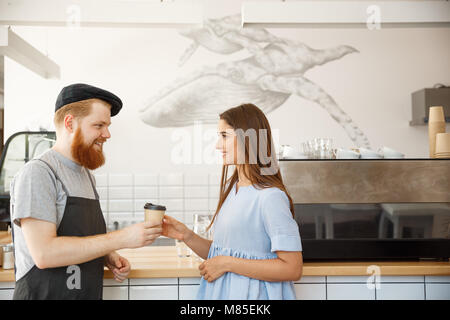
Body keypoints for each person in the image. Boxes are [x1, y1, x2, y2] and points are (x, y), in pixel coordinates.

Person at [10, 83, 162, 300]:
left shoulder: (86, 176)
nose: (107, 134)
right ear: (70, 123)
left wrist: (106, 255)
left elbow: (80, 238)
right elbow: (44, 253)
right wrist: (120, 239)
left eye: (107, 126)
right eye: (99, 125)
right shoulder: (39, 173)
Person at [162, 103, 303, 299]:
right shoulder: (233, 188)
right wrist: (186, 235)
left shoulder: (270, 197)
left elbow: (292, 268)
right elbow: (222, 252)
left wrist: (228, 264)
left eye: (224, 136)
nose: (218, 145)